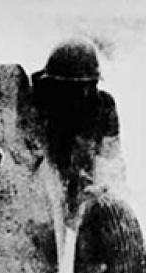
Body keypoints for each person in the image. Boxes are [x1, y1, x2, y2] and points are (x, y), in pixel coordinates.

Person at [31, 37, 125, 216]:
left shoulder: (103, 106)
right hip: (40, 193)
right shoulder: (32, 104)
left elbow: (110, 157)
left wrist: (105, 187)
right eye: (75, 88)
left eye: (90, 85)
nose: (85, 93)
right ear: (54, 85)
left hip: (84, 187)